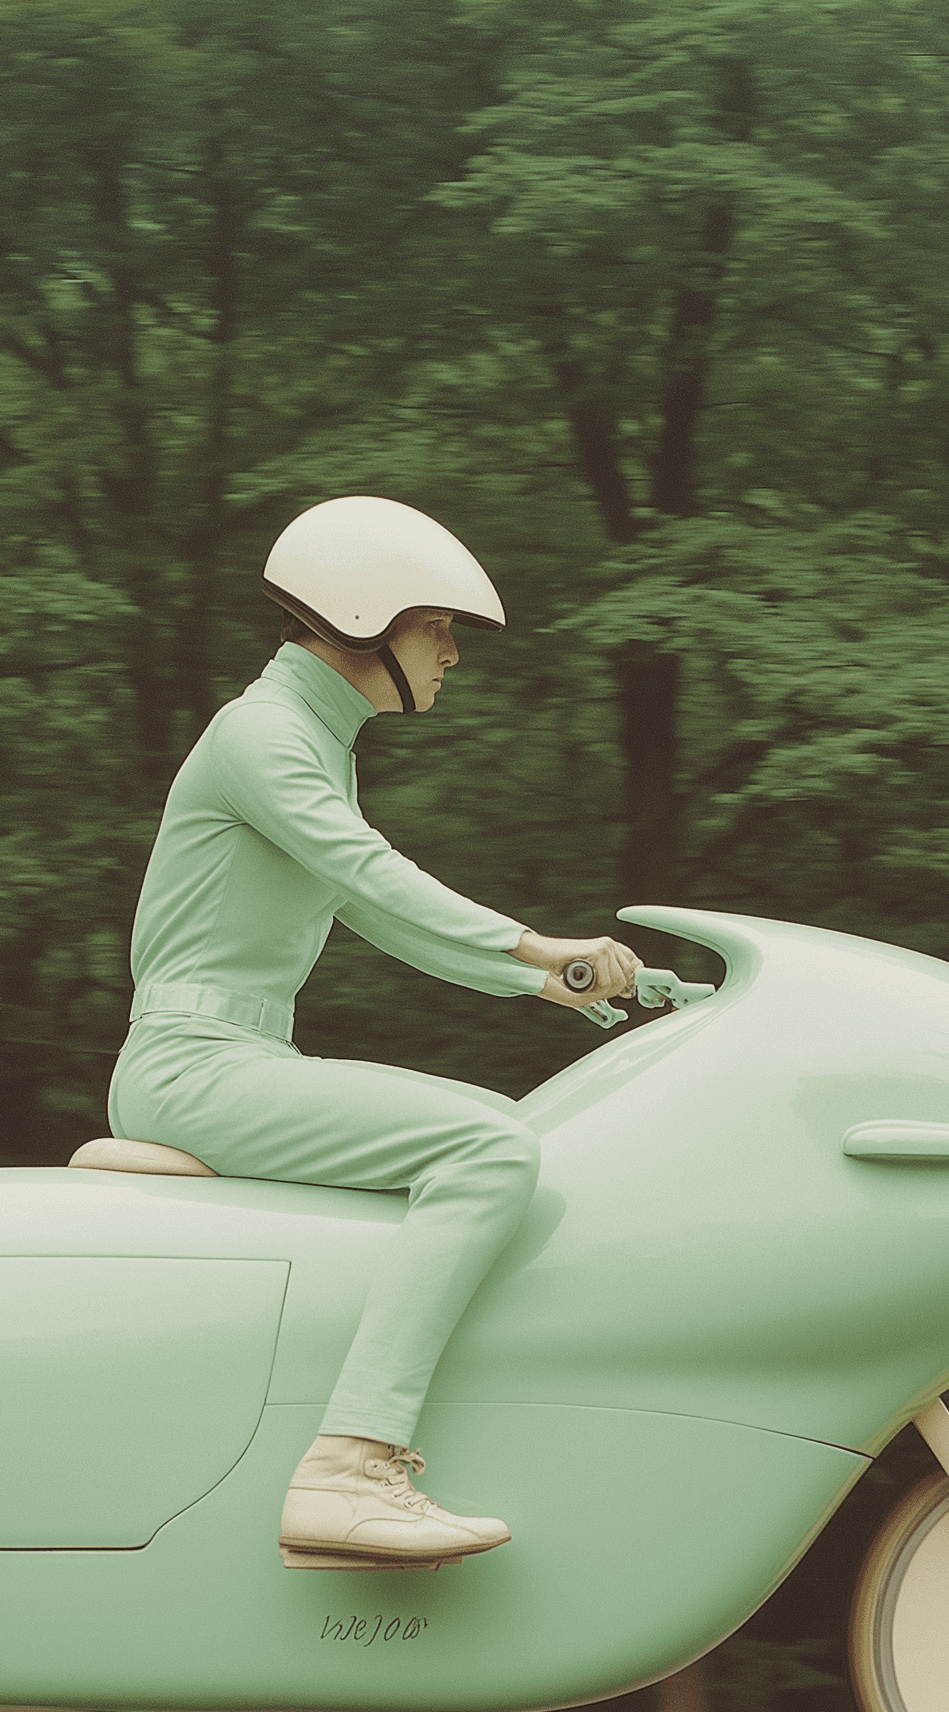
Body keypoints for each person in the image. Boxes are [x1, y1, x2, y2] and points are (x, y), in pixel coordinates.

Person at [108, 495, 645, 1570]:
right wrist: (536, 943)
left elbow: (374, 916)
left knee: (495, 1133)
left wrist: (556, 987)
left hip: (234, 1061)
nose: (450, 651)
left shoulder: (311, 741)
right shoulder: (262, 734)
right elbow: (370, 875)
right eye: (435, 626)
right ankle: (349, 1467)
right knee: (487, 1146)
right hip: (192, 1068)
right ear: (365, 619)